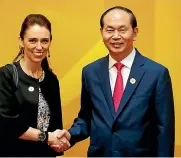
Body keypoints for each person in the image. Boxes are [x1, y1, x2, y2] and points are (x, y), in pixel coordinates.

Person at [55, 6, 175, 157]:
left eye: (122, 30)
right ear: (102, 32)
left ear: (135, 33)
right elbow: (87, 117)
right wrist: (70, 135)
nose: (116, 36)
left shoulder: (156, 73)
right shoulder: (90, 72)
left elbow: (164, 130)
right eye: (110, 30)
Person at [0, 14, 70, 157]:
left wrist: (61, 141)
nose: (39, 46)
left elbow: (55, 127)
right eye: (32, 40)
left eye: (44, 41)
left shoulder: (51, 80)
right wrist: (46, 137)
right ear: (21, 41)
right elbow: (5, 123)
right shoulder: (6, 75)